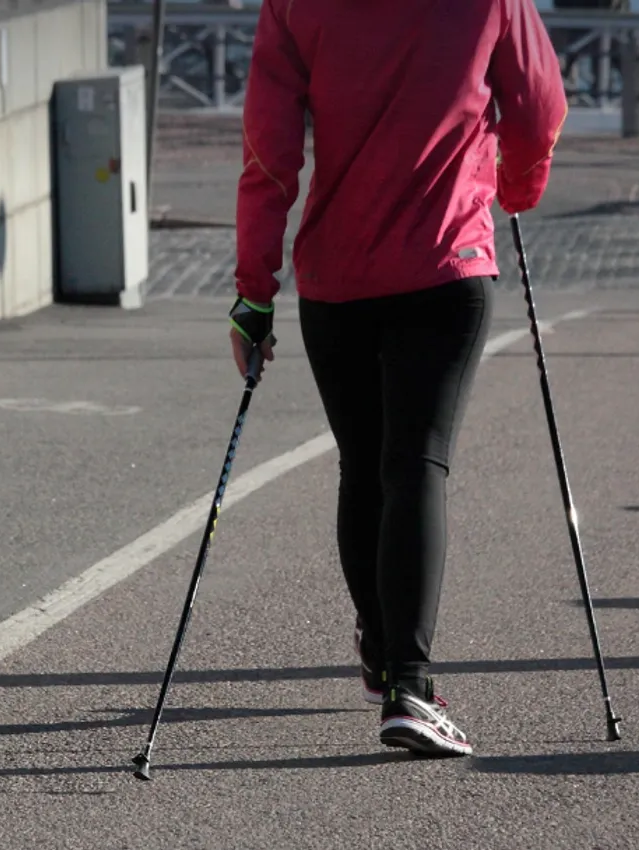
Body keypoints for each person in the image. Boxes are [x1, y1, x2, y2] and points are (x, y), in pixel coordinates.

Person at [228, 0, 567, 756]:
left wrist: (254, 288)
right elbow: (540, 108)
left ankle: (385, 658)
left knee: (365, 463)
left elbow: (269, 148)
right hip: (447, 263)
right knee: (415, 462)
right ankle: (411, 685)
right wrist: (516, 187)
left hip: (336, 277)